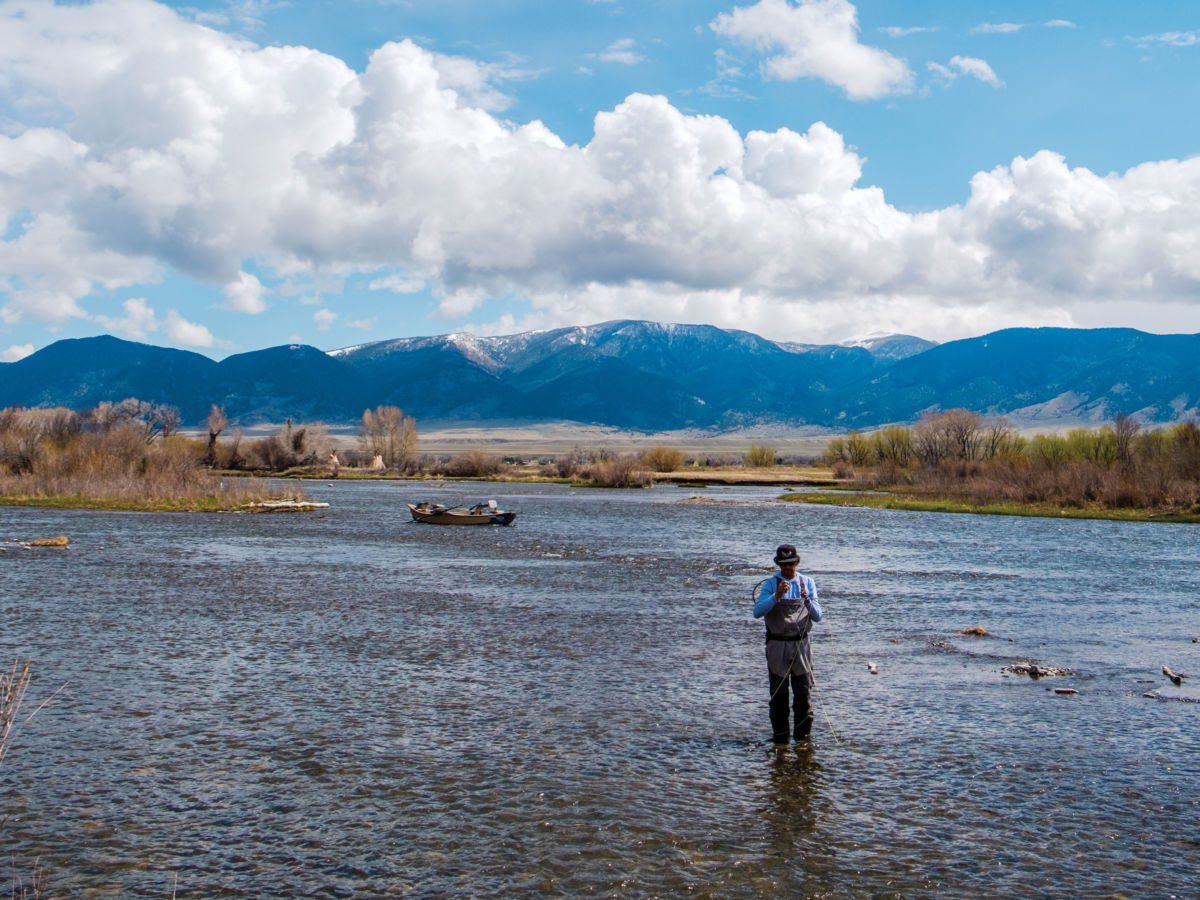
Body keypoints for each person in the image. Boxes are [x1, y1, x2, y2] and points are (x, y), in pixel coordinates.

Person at [753, 544, 824, 744]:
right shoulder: (770, 584)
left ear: (797, 562)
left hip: (802, 646)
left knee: (803, 694)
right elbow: (757, 612)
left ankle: (802, 742)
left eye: (791, 564)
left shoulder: (807, 582)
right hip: (777, 646)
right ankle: (781, 741)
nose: (787, 568)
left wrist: (808, 600)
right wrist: (776, 596)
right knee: (779, 696)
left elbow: (818, 617)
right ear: (778, 564)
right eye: (783, 565)